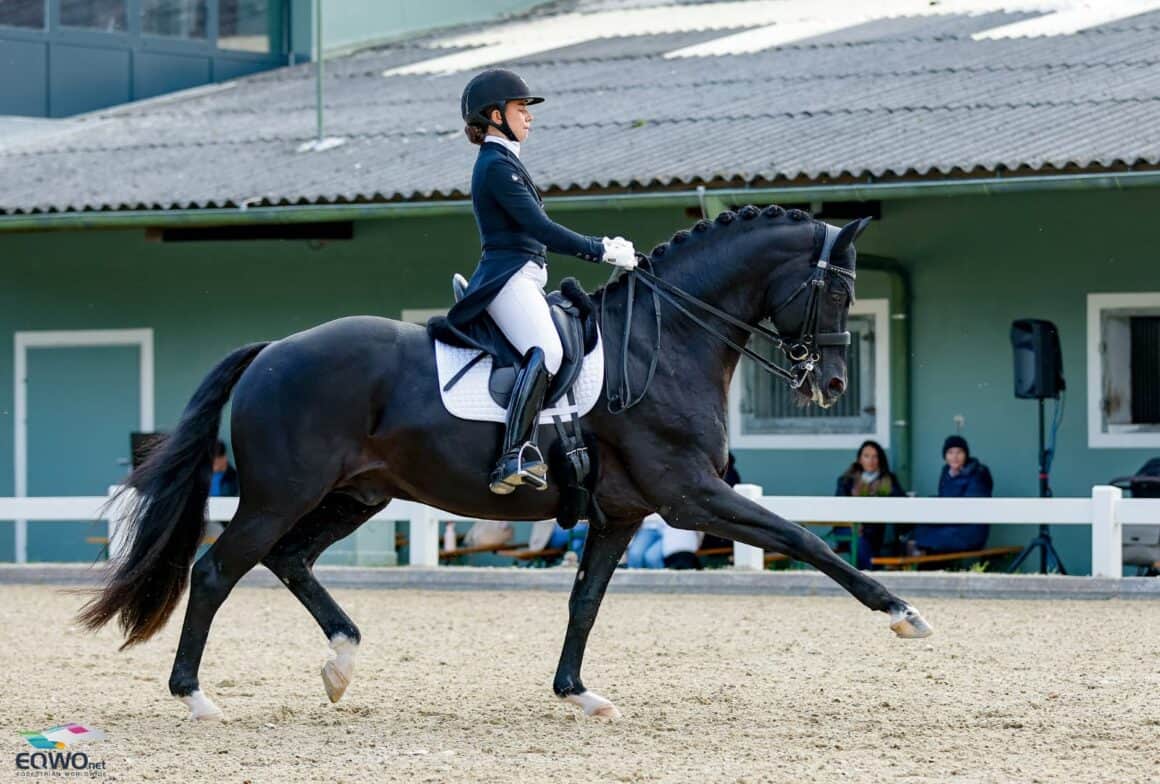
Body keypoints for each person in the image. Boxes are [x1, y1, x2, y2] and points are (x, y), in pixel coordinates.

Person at [452, 69, 638, 495]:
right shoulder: (496, 165)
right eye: (521, 108)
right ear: (495, 114)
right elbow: (540, 227)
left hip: (525, 277)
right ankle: (511, 456)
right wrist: (600, 248)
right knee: (548, 350)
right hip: (508, 277)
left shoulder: (507, 162)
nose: (528, 116)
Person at [908, 435, 993, 555]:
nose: (955, 457)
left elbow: (971, 508)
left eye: (959, 452)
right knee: (916, 532)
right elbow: (944, 499)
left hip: (970, 530)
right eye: (950, 452)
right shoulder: (946, 472)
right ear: (945, 456)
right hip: (950, 524)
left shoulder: (978, 473)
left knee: (924, 539)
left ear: (966, 454)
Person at [833, 440, 906, 568]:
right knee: (859, 540)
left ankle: (867, 577)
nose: (870, 460)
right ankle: (871, 574)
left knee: (864, 541)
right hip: (847, 527)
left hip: (874, 531)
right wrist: (853, 524)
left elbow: (900, 501)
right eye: (866, 456)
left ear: (880, 459)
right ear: (860, 459)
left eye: (875, 456)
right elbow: (840, 506)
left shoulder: (888, 479)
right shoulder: (847, 479)